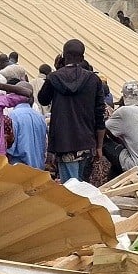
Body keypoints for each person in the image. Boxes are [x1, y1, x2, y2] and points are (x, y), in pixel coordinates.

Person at [37, 39, 105, 183]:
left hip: (64, 143)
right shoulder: (94, 79)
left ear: (63, 56)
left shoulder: (54, 77)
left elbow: (43, 99)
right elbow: (100, 115)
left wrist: (55, 72)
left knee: (71, 189)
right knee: (81, 185)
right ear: (82, 58)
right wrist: (99, 146)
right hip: (87, 143)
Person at [104, 81, 138, 178]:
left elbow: (103, 129)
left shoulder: (123, 111)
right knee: (120, 151)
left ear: (124, 96)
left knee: (104, 141)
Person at [5, 88, 48, 170]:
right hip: (39, 168)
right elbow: (45, 143)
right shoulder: (40, 117)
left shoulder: (13, 116)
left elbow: (10, 147)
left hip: (19, 169)